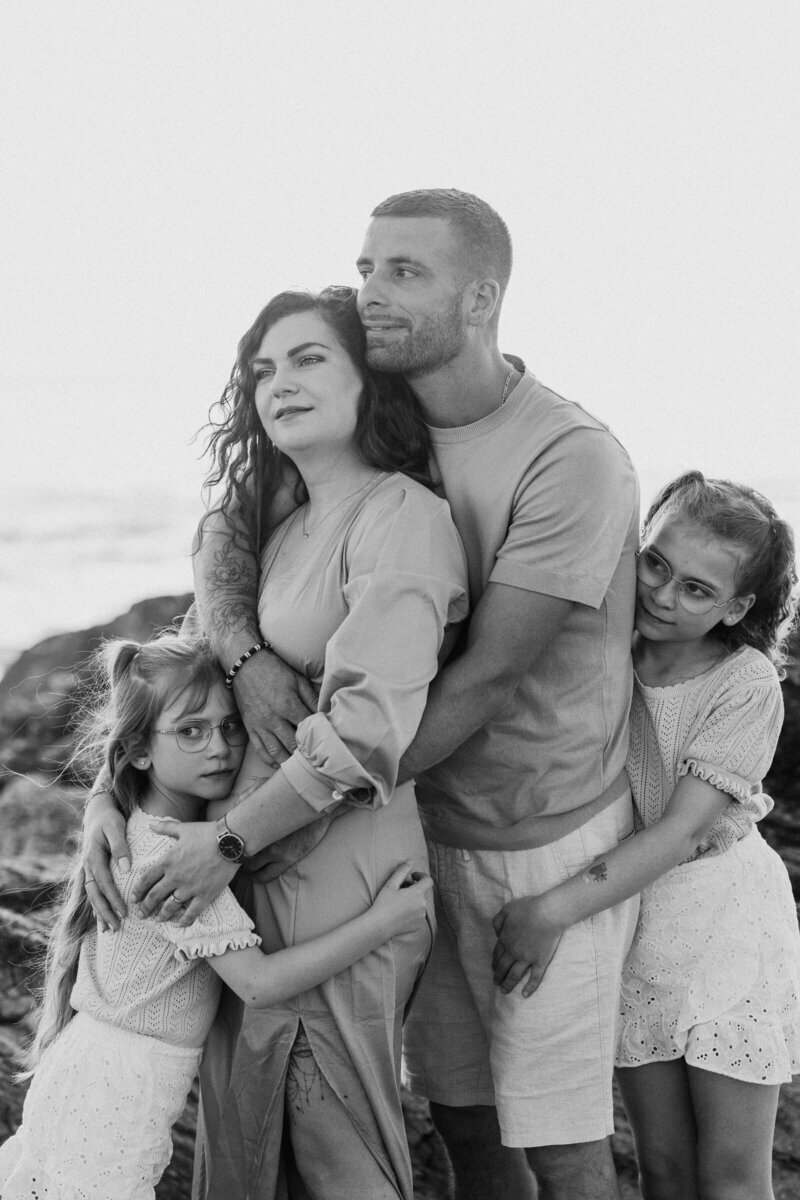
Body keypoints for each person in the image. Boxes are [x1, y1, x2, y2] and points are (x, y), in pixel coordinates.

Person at [89, 188, 639, 1200]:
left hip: (532, 827)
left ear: (478, 300)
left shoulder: (555, 461)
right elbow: (223, 537)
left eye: (402, 272)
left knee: (540, 1138)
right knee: (455, 1124)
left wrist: (249, 830)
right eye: (366, 269)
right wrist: (245, 663)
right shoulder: (345, 458)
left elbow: (465, 685)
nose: (371, 291)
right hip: (396, 832)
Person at [83, 286, 469, 1199]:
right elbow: (177, 686)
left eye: (308, 360)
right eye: (263, 369)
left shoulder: (402, 518)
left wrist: (224, 841)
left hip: (337, 874)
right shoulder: (288, 525)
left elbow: (367, 732)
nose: (278, 383)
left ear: (367, 382)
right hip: (245, 877)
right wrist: (111, 794)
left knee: (340, 1154)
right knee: (264, 1151)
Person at [0, 633, 432, 1200]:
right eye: (191, 731)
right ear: (137, 750)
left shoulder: (144, 826)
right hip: (110, 1096)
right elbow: (258, 983)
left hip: (97, 1079)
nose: (221, 747)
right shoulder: (173, 859)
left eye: (231, 726)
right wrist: (387, 919)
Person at [491, 471, 800, 1200]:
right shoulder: (609, 649)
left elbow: (683, 832)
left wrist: (550, 910)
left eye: (698, 589)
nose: (664, 594)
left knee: (727, 1178)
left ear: (738, 607)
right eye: (656, 563)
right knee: (663, 1167)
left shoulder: (745, 681)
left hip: (725, 918)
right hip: (635, 915)